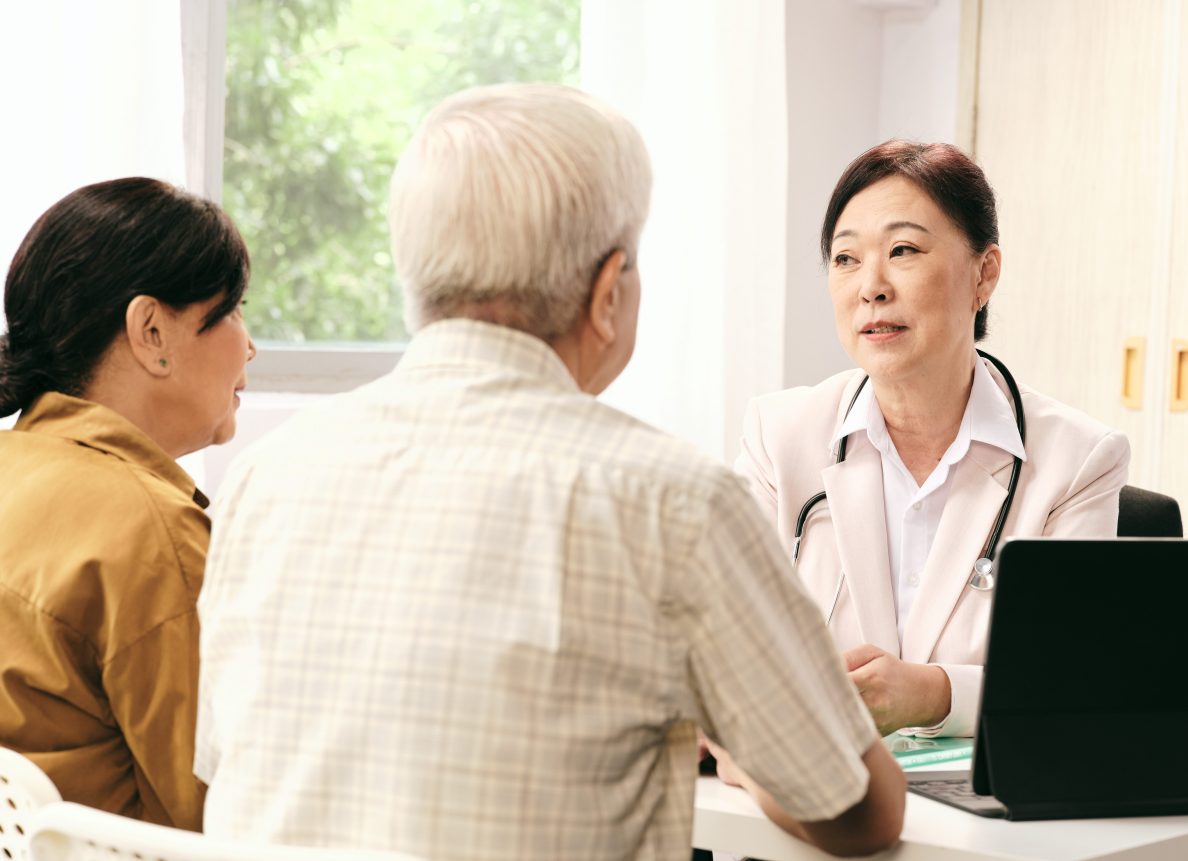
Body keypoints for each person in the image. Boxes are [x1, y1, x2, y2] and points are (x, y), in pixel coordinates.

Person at [195, 83, 904, 860]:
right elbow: (859, 810)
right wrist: (746, 743)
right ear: (608, 292)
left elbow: (223, 766)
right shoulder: (673, 501)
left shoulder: (264, 478)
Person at [736, 140, 1129, 739]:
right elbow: (727, 645)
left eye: (903, 250)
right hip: (817, 799)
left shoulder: (1077, 461)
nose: (871, 286)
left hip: (986, 811)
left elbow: (1075, 681)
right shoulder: (780, 437)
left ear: (984, 273)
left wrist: (933, 693)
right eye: (845, 259)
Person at [0, 177, 256, 830]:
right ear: (151, 332)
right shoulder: (149, 532)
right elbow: (224, 808)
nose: (249, 345)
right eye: (232, 309)